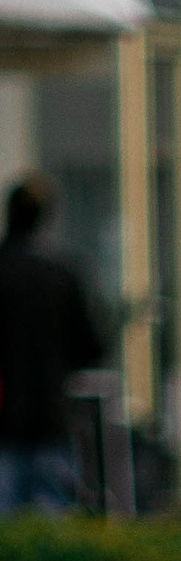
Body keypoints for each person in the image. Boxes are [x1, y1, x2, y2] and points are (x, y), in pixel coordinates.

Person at [0, 173, 107, 515]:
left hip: (4, 422)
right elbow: (90, 347)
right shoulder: (63, 275)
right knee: (53, 525)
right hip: (51, 420)